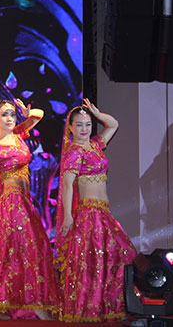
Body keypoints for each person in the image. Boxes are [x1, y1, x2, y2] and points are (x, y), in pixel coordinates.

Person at [56, 98, 136, 322]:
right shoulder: (73, 152)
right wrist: (68, 216)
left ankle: (108, 306)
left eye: (88, 124)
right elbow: (67, 185)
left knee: (114, 257)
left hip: (103, 211)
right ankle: (90, 308)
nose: (84, 129)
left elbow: (114, 124)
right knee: (95, 261)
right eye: (79, 125)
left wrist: (98, 114)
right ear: (70, 127)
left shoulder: (95, 145)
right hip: (90, 213)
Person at [0, 99, 59, 320]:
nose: (9, 118)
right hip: (11, 201)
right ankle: (33, 304)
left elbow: (39, 115)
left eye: (12, 114)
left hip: (25, 200)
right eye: (4, 114)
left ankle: (10, 305)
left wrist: (26, 111)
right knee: (28, 248)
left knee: (21, 249)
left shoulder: (18, 134)